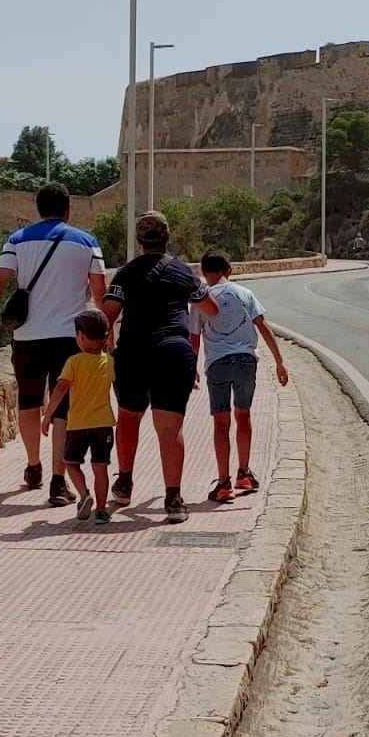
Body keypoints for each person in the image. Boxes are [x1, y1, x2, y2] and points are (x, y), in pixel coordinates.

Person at [0, 181, 107, 507]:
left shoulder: (17, 240)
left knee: (28, 402)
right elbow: (100, 295)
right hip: (70, 337)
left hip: (27, 337)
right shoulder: (87, 242)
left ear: (38, 210)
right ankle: (58, 481)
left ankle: (33, 466)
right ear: (68, 209)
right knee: (63, 409)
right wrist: (107, 335)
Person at [100, 210, 218, 524]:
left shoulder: (125, 274)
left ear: (140, 240)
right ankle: (173, 499)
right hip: (173, 352)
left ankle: (124, 482)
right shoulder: (181, 271)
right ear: (167, 237)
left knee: (128, 416)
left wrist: (106, 350)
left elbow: (107, 315)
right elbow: (211, 308)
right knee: (170, 428)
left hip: (134, 352)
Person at [189, 251, 289, 502]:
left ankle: (224, 483)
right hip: (246, 361)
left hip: (217, 364)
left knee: (221, 422)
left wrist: (192, 368)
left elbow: (194, 338)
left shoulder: (200, 300)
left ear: (203, 272)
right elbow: (262, 325)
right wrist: (279, 361)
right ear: (229, 271)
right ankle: (244, 473)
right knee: (243, 415)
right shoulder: (245, 294)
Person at [41, 308, 114, 525]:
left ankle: (84, 494)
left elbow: (60, 388)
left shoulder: (74, 362)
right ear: (106, 336)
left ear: (80, 336)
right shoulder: (109, 362)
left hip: (78, 425)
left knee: (71, 462)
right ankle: (101, 510)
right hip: (104, 424)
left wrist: (48, 415)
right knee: (101, 468)